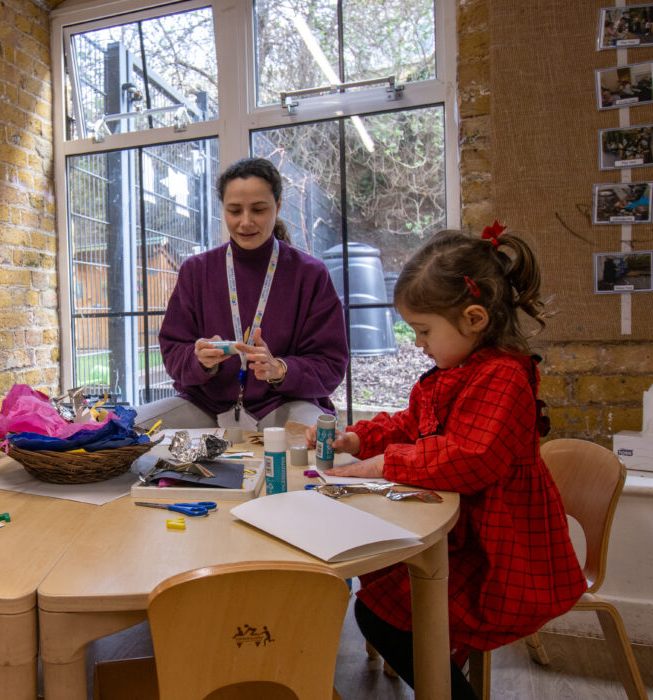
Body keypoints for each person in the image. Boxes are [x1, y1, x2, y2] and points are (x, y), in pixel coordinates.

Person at [309, 228, 587, 699]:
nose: (417, 343)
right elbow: (412, 423)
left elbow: (469, 457)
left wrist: (381, 466)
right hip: (462, 535)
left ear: (474, 318)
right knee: (377, 605)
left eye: (423, 330)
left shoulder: (504, 377)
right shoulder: (452, 373)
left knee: (380, 613)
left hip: (496, 552)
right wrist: (360, 438)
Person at [136, 157, 348, 430]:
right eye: (234, 211)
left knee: (327, 444)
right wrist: (198, 360)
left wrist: (281, 369)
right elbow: (173, 350)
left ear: (278, 205)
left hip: (283, 403)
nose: (246, 222)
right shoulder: (196, 271)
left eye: (258, 209)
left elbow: (330, 364)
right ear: (223, 209)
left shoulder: (311, 275)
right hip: (206, 405)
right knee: (126, 432)